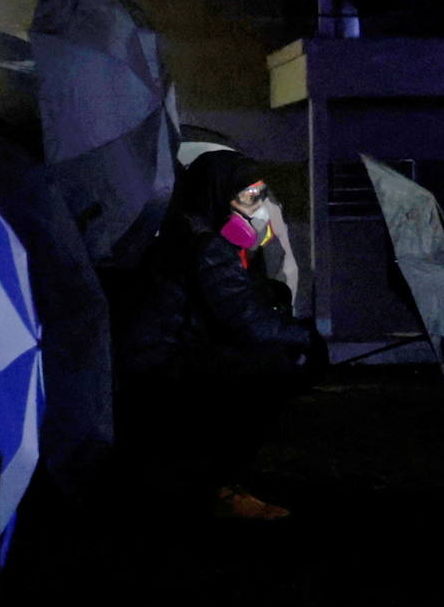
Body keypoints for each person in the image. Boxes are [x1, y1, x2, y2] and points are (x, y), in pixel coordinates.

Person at [112, 149, 327, 519]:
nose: (258, 207)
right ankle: (220, 485)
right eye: (249, 196)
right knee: (274, 370)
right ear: (217, 193)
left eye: (262, 194)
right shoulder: (206, 244)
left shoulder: (182, 229)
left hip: (151, 357)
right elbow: (248, 322)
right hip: (163, 363)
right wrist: (307, 337)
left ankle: (207, 480)